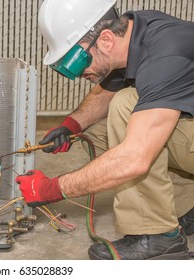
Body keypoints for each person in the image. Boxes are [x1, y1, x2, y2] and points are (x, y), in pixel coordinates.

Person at [16, 0, 194, 260]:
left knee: (126, 107)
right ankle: (188, 204)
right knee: (99, 132)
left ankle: (158, 238)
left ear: (107, 39)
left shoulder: (166, 57)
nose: (76, 74)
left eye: (76, 62)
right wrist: (70, 126)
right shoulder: (136, 33)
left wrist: (51, 189)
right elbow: (107, 91)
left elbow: (134, 158)